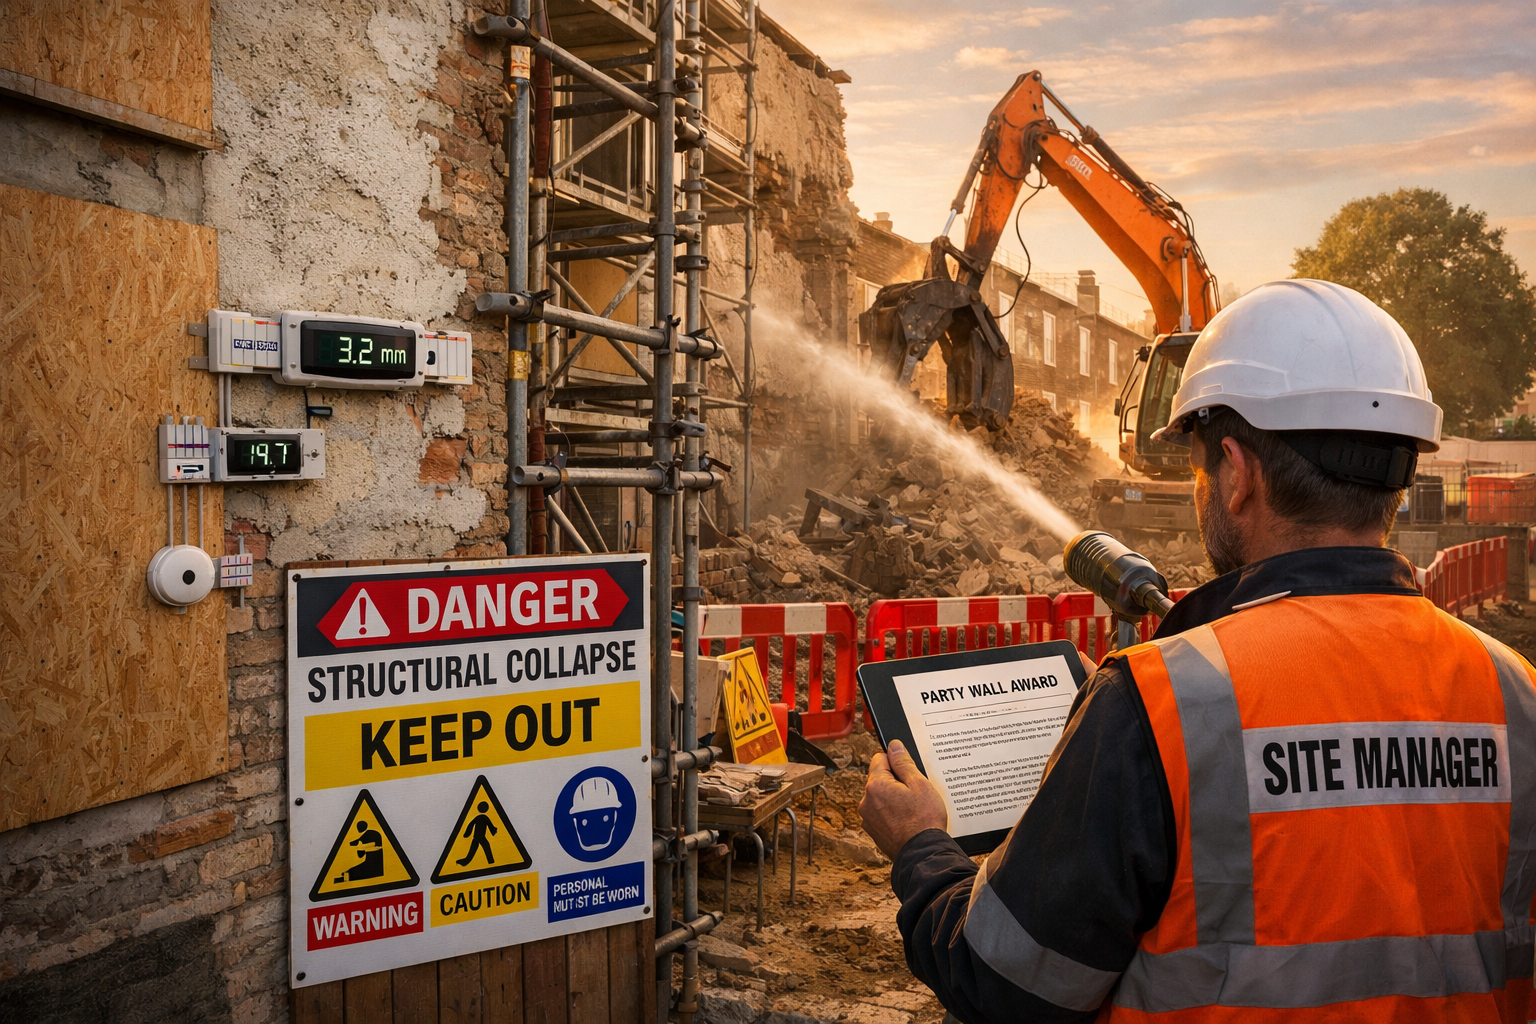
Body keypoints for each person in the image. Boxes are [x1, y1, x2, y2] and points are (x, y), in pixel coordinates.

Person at [859, 280, 1536, 1022]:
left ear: (1237, 474)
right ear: (1398, 484)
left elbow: (1001, 981)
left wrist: (921, 843)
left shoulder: (1162, 703)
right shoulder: (1513, 690)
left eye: (1197, 463)